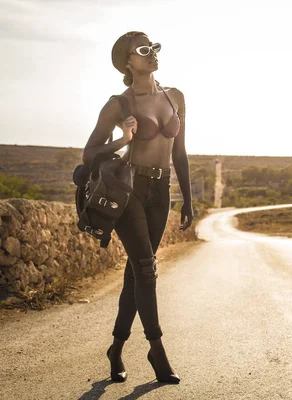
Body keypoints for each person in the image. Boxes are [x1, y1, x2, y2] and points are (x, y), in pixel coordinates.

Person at [82, 31, 194, 384]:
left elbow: (179, 153)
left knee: (136, 272)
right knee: (146, 268)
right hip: (130, 190)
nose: (152, 54)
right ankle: (156, 349)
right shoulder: (119, 104)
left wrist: (188, 199)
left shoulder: (175, 97)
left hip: (162, 191)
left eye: (154, 47)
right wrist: (124, 139)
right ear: (128, 62)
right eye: (143, 51)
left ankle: (116, 348)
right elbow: (89, 154)